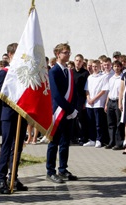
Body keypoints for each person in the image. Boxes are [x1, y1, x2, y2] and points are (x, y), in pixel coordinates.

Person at [0, 43, 28, 194]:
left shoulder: (24, 72)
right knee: (7, 146)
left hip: (22, 114)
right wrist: (14, 100)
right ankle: (2, 178)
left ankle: (13, 176)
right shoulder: (3, 73)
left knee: (18, 147)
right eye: (15, 55)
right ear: (9, 56)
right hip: (9, 115)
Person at [46, 43, 78, 183]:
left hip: (69, 112)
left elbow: (74, 92)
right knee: (54, 142)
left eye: (69, 52)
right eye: (65, 52)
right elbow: (56, 95)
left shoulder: (69, 71)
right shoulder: (53, 71)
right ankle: (50, 171)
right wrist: (69, 108)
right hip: (58, 112)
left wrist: (74, 109)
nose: (68, 55)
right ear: (58, 54)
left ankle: (63, 169)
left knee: (65, 142)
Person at [83, 60, 108, 148]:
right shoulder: (90, 77)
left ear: (99, 66)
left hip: (98, 103)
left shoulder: (103, 77)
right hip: (89, 103)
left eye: (96, 66)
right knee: (90, 122)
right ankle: (92, 139)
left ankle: (99, 139)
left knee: (98, 123)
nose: (94, 68)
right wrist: (89, 98)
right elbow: (87, 90)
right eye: (93, 66)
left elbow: (103, 90)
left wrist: (94, 99)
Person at [105, 60, 124, 150]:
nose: (116, 68)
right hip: (111, 101)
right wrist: (106, 104)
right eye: (115, 66)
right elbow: (109, 92)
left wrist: (120, 103)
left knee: (118, 123)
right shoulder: (111, 78)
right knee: (110, 123)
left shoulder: (122, 78)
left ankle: (118, 142)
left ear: (121, 67)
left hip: (117, 101)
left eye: (118, 66)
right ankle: (111, 141)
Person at [73, 54, 90, 145]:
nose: (78, 62)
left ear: (82, 62)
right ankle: (73, 137)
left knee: (81, 119)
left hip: (81, 99)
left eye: (80, 61)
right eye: (76, 60)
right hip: (72, 99)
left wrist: (84, 101)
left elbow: (87, 88)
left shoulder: (85, 73)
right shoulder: (71, 72)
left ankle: (83, 137)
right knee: (72, 118)